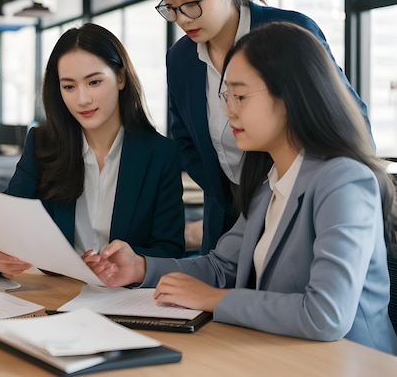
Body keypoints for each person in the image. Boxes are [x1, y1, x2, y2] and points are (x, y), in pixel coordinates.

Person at [85, 22, 397, 355]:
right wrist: (141, 267)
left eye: (240, 96)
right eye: (226, 96)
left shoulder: (344, 181)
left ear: (291, 95)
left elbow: (326, 315)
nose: (228, 111)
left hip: (355, 363)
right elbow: (222, 267)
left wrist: (215, 299)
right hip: (284, 355)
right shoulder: (270, 182)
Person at [155, 0, 371, 254]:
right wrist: (228, 195)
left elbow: (348, 120)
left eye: (192, 2)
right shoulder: (181, 58)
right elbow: (185, 139)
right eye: (170, 8)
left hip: (298, 212)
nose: (182, 18)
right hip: (227, 221)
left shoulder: (287, 33)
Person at [0, 23, 186, 278]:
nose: (82, 99)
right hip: (59, 293)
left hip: (124, 300)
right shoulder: (43, 144)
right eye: (69, 87)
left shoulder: (160, 154)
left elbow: (170, 249)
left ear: (120, 77)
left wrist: (134, 264)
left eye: (94, 82)